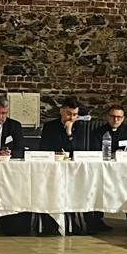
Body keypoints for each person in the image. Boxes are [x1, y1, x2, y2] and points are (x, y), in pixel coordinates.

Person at [39, 99, 96, 235]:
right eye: (69, 114)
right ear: (61, 111)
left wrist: (69, 133)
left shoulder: (80, 127)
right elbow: (43, 148)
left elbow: (79, 150)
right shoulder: (50, 126)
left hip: (74, 171)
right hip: (52, 169)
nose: (72, 117)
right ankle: (51, 222)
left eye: (75, 114)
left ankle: (78, 222)